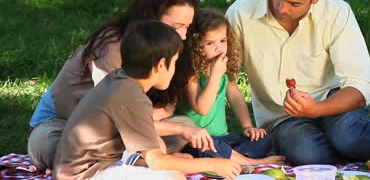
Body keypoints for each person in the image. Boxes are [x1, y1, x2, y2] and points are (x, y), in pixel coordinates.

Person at [28, 0, 215, 172]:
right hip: (64, 126)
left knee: (183, 125)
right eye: (176, 27)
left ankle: (141, 160)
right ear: (150, 17)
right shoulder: (114, 47)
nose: (183, 36)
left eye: (187, 27)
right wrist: (151, 122)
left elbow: (165, 108)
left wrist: (153, 120)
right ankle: (144, 161)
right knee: (54, 149)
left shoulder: (169, 49)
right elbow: (115, 112)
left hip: (120, 129)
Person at [225, 0, 370, 165]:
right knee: (308, 156)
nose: (282, 8)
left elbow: (361, 86)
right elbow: (224, 76)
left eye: (294, 4)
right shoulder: (240, 13)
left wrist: (316, 109)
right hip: (282, 117)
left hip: (333, 102)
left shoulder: (336, 12)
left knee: (348, 137)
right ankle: (364, 157)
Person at [53, 20, 241, 180]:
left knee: (168, 156)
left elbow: (141, 131)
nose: (174, 68)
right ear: (161, 65)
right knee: (173, 176)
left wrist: (183, 131)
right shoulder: (131, 95)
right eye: (174, 62)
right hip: (85, 175)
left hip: (97, 161)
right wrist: (214, 164)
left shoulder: (122, 80)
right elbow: (156, 160)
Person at [174, 9, 285, 165]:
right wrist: (215, 75)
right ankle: (251, 163)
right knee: (203, 148)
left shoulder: (223, 67)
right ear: (195, 44)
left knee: (264, 139)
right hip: (195, 140)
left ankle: (232, 158)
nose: (218, 48)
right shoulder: (190, 73)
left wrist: (247, 126)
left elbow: (235, 96)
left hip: (223, 138)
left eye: (223, 41)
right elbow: (202, 108)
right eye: (209, 43)